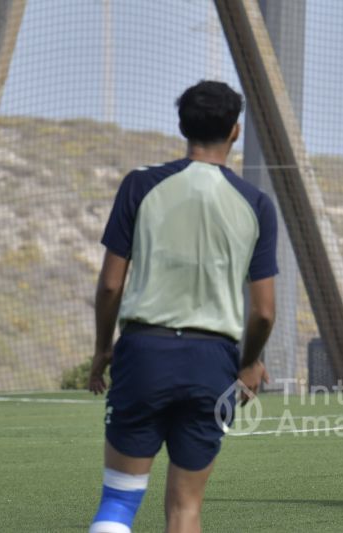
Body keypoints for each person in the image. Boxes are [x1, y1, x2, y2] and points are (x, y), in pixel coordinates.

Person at [87, 80, 278, 532]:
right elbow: (264, 311)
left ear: (181, 126)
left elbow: (111, 286)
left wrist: (102, 349)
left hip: (144, 351)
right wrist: (249, 363)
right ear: (235, 130)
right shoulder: (255, 203)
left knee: (118, 501)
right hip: (211, 362)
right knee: (186, 508)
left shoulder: (140, 185)